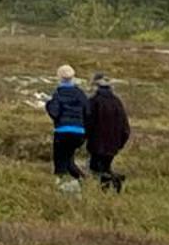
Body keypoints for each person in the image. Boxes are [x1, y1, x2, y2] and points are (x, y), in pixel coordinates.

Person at [45, 63, 90, 194]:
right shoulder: (80, 94)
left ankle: (61, 190)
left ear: (59, 77)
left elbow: (54, 113)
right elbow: (88, 112)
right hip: (79, 134)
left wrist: (48, 104)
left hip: (62, 132)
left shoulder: (58, 94)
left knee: (60, 163)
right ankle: (82, 183)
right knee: (69, 160)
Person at [86, 72, 131, 192]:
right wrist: (120, 143)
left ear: (96, 85)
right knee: (105, 167)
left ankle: (116, 179)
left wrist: (85, 138)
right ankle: (105, 192)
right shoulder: (117, 102)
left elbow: (88, 122)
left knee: (96, 168)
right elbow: (125, 127)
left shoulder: (93, 101)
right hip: (113, 144)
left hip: (97, 144)